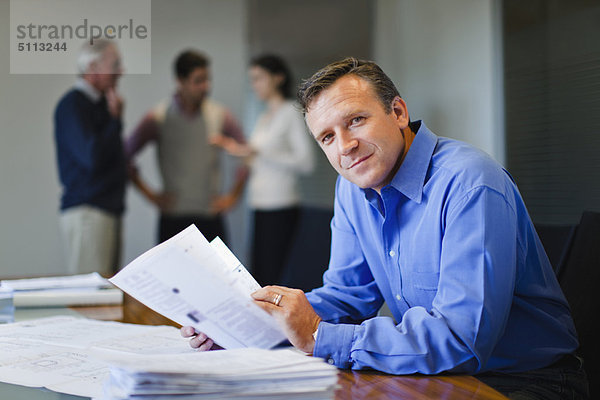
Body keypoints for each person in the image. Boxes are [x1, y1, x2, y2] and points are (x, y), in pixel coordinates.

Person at [182, 58, 589, 399]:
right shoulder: (353, 185)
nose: (344, 147)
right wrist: (248, 326)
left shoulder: (469, 183)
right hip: (437, 373)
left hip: (526, 383)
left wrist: (320, 336)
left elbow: (462, 340)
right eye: (327, 137)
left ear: (398, 113)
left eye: (355, 121)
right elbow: (347, 297)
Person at [125, 50, 247, 244]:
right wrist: (150, 195)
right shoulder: (158, 117)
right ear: (180, 81)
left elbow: (246, 154)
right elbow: (124, 156)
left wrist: (233, 196)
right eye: (198, 81)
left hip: (210, 219)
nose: (205, 87)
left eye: (207, 80)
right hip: (173, 221)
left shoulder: (220, 115)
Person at [213, 54, 314, 285]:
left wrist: (258, 152)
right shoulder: (264, 117)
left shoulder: (290, 112)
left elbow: (306, 162)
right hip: (259, 205)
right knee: (259, 275)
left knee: (272, 277)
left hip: (281, 207)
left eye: (258, 78)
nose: (254, 85)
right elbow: (255, 157)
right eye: (252, 79)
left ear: (277, 78)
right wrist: (238, 151)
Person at [54, 39, 126, 276]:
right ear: (93, 68)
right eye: (114, 64)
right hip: (89, 213)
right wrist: (115, 120)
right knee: (91, 296)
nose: (121, 71)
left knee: (105, 295)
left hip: (103, 211)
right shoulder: (73, 105)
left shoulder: (97, 105)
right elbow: (92, 157)